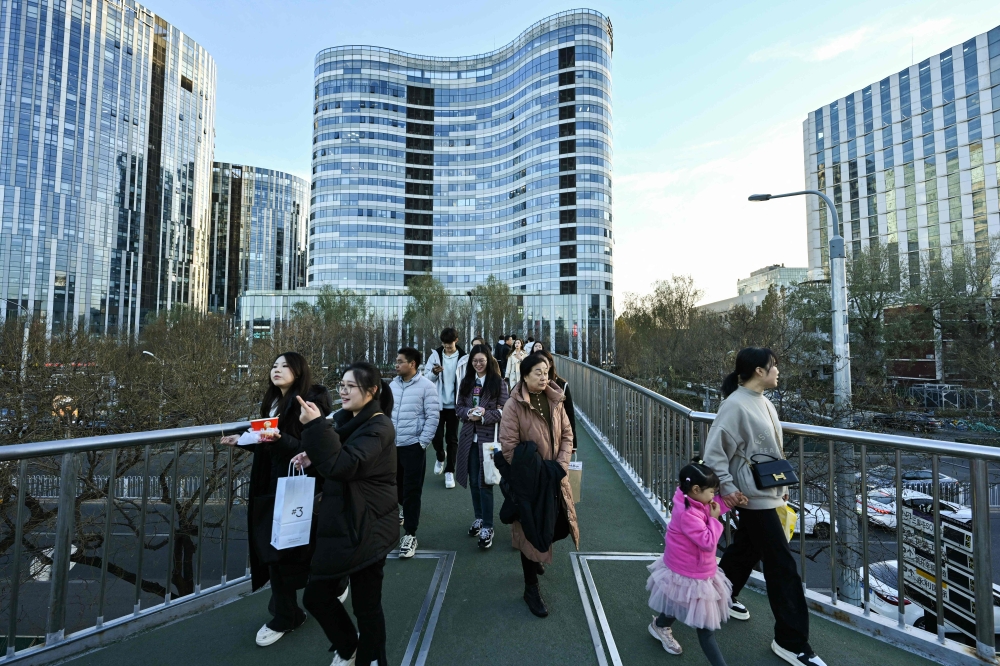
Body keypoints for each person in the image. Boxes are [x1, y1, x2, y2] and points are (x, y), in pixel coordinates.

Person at [703, 347, 826, 666]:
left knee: (746, 549)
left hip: (764, 492)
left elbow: (770, 451)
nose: (777, 371)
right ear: (759, 370)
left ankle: (720, 598)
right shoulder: (734, 406)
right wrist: (729, 490)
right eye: (774, 366)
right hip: (751, 496)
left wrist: (780, 488)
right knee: (782, 567)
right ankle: (790, 641)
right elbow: (714, 453)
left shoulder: (763, 403)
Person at [219, 352, 332, 647]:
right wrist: (243, 440)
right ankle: (288, 611)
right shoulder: (273, 402)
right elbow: (270, 445)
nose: (277, 370)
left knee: (285, 551)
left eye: (284, 366)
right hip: (271, 486)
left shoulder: (306, 404)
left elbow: (310, 449)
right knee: (278, 550)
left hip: (295, 487)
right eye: (273, 366)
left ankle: (287, 614)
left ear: (299, 372)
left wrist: (278, 439)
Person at [292, 362, 397, 666]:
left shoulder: (379, 427)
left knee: (367, 606)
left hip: (368, 526)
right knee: (316, 595)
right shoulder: (343, 418)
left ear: (372, 390)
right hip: (344, 522)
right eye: (341, 385)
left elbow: (343, 464)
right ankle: (349, 646)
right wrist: (313, 453)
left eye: (351, 386)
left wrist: (314, 427)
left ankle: (373, 658)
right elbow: (333, 453)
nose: (343, 391)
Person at [499, 353, 578, 618]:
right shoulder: (513, 406)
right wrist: (541, 473)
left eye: (546, 371)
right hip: (530, 484)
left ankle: (538, 557)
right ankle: (530, 587)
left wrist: (560, 466)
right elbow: (509, 449)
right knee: (529, 534)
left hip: (555, 477)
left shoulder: (555, 399)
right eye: (537, 372)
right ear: (524, 375)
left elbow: (567, 435)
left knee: (556, 525)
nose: (544, 377)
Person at [646, 460, 736, 665]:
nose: (714, 497)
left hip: (692, 569)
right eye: (712, 492)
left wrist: (731, 502)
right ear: (696, 489)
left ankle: (659, 626)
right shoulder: (687, 513)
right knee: (706, 631)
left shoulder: (692, 500)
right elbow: (708, 541)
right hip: (688, 571)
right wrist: (714, 520)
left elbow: (711, 507)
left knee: (676, 600)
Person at [455, 344, 509, 549]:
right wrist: (468, 413)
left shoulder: (498, 383)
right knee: (473, 481)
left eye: (482, 360)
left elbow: (505, 411)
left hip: (488, 440)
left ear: (489, 360)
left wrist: (485, 414)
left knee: (485, 483)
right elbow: (458, 407)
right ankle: (478, 517)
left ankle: (488, 526)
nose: (478, 364)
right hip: (469, 438)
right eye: (475, 361)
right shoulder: (467, 382)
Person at [389, 347, 440, 559]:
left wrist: (422, 443)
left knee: (412, 491)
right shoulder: (392, 385)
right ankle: (404, 511)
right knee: (395, 488)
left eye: (400, 361)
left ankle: (410, 533)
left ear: (413, 364)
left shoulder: (427, 387)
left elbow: (433, 417)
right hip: (392, 447)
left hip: (413, 446)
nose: (396, 365)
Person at [423, 327, 464, 489]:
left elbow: (466, 381)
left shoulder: (463, 357)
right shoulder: (435, 356)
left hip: (454, 406)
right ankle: (441, 456)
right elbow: (426, 378)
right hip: (437, 404)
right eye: (445, 344)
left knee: (452, 438)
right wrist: (434, 373)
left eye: (450, 344)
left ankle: (449, 471)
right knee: (436, 437)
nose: (447, 347)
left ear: (456, 341)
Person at [536, 350, 577, 451]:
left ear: (550, 364)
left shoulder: (562, 385)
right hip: (537, 437)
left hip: (557, 434)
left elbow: (569, 413)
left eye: (543, 361)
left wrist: (573, 443)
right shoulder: (531, 385)